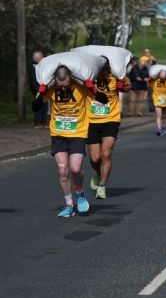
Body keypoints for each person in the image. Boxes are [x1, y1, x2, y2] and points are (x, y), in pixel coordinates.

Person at [32, 66, 109, 217]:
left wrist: (92, 89)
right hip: (58, 133)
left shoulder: (80, 87)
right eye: (60, 86)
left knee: (75, 169)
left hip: (78, 132)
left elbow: (103, 100)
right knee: (62, 170)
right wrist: (41, 93)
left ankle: (79, 192)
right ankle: (69, 205)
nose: (64, 88)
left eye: (67, 85)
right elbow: (35, 107)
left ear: (71, 78)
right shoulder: (50, 88)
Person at [87, 60, 126, 199]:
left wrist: (123, 86)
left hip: (111, 119)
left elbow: (128, 85)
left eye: (107, 69)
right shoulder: (89, 77)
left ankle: (102, 185)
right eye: (102, 69)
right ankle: (99, 174)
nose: (105, 72)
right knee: (95, 158)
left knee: (106, 154)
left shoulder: (115, 78)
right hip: (92, 120)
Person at [149, 69, 166, 136]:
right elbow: (149, 82)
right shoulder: (154, 81)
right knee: (159, 115)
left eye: (164, 76)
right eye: (161, 76)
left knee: (164, 116)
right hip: (157, 101)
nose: (162, 78)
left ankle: (164, 127)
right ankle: (159, 130)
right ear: (159, 75)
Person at [29, 50, 47, 128]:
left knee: (45, 104)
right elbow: (33, 80)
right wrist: (37, 90)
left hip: (45, 88)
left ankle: (43, 122)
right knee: (38, 105)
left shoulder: (44, 65)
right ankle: (37, 122)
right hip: (37, 89)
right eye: (36, 57)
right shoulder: (33, 67)